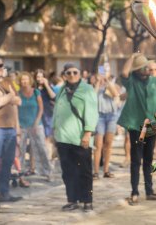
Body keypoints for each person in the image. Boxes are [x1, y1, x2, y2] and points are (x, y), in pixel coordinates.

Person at [118, 53, 156, 205]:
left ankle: (150, 191)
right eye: (142, 67)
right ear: (137, 70)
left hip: (152, 125)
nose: (146, 69)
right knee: (136, 161)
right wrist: (132, 58)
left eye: (146, 66)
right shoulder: (131, 81)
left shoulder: (154, 81)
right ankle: (134, 192)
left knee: (149, 160)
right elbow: (124, 73)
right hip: (136, 125)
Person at [53, 63, 98, 212]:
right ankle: (72, 200)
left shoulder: (87, 89)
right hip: (63, 138)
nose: (72, 75)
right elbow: (56, 112)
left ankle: (87, 201)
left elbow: (92, 112)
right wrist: (54, 133)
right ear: (64, 75)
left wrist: (88, 133)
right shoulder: (61, 90)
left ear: (79, 73)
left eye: (75, 72)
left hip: (80, 138)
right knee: (68, 172)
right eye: (68, 73)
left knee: (84, 172)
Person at [0, 55, 22, 205]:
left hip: (11, 129)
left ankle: (4, 194)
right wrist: (10, 96)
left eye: (1, 65)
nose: (0, 68)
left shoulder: (7, 82)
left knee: (7, 163)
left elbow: (18, 102)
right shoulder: (8, 86)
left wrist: (17, 128)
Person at [18, 72, 52, 181]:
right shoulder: (18, 93)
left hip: (36, 125)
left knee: (42, 148)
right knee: (21, 151)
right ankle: (20, 175)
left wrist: (36, 122)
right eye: (22, 79)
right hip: (22, 126)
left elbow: (41, 108)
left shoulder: (36, 92)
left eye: (26, 79)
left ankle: (48, 172)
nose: (24, 81)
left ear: (30, 80)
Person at [93, 74, 120, 179]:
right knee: (98, 145)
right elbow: (92, 97)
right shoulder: (96, 88)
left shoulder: (113, 85)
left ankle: (106, 171)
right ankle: (95, 172)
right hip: (99, 116)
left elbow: (115, 94)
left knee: (108, 144)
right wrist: (98, 83)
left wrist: (108, 81)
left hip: (111, 116)